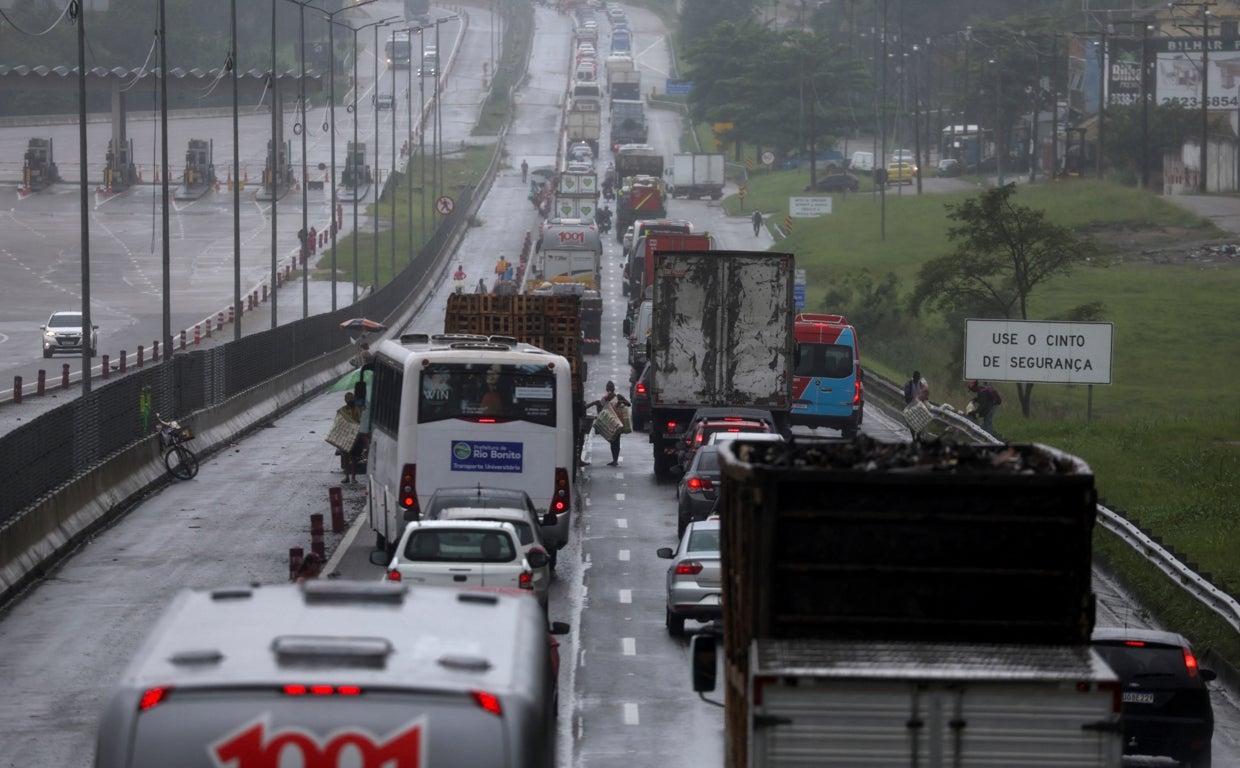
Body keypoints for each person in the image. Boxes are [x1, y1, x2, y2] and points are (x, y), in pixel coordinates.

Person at [587, 381, 631, 466]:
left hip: (618, 422)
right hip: (610, 423)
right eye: (609, 388)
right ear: (607, 389)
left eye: (611, 388)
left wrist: (621, 402)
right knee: (612, 441)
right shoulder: (605, 399)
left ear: (613, 389)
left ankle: (615, 460)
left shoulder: (618, 397)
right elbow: (600, 408)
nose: (610, 390)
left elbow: (628, 404)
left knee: (616, 440)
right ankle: (614, 459)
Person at [336, 391, 362, 483]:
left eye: (351, 400)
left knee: (354, 457)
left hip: (355, 435)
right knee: (346, 457)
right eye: (348, 400)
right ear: (345, 401)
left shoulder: (358, 410)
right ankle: (347, 476)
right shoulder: (342, 410)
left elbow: (360, 421)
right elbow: (338, 423)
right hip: (346, 436)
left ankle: (353, 477)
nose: (350, 402)